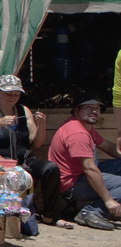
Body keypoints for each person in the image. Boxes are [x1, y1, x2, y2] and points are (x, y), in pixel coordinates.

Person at [0, 74, 67, 228]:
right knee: (14, 174)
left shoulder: (24, 110)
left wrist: (41, 125)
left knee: (50, 169)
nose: (12, 98)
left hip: (24, 160)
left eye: (16, 94)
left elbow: (36, 143)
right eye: (8, 94)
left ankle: (50, 215)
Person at [48, 92, 121, 231]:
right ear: (76, 111)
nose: (94, 111)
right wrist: (108, 200)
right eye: (88, 107)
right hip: (73, 184)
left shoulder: (83, 126)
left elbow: (109, 148)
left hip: (81, 175)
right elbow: (90, 169)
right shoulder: (78, 134)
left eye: (97, 108)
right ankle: (91, 212)